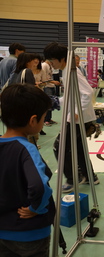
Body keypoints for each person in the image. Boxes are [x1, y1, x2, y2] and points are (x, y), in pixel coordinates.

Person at [0, 83, 55, 257]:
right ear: (33, 120)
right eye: (43, 117)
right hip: (29, 234)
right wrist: (35, 208)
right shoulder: (26, 149)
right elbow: (39, 186)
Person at [44, 42, 99, 193]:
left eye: (53, 60)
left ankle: (72, 179)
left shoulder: (71, 71)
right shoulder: (66, 70)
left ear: (62, 59)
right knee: (79, 148)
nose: (51, 64)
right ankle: (90, 176)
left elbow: (87, 93)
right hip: (80, 117)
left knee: (59, 147)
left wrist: (77, 111)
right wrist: (57, 102)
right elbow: (72, 94)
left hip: (77, 118)